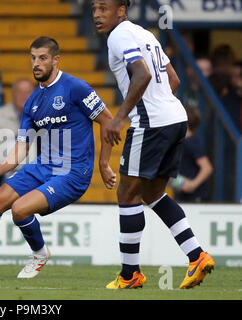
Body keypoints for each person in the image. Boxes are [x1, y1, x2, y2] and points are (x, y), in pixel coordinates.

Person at [0, 36, 115, 279]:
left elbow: (108, 121)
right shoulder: (33, 101)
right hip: (42, 166)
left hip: (72, 172)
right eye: (33, 58)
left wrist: (103, 164)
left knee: (19, 209)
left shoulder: (76, 87)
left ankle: (39, 253)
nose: (36, 63)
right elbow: (22, 146)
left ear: (56, 60)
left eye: (42, 58)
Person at [92, 0, 215, 289]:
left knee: (127, 192)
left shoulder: (119, 35)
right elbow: (173, 79)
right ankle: (196, 255)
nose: (97, 14)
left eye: (103, 8)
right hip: (175, 118)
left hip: (152, 124)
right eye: (94, 8)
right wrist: (160, 105)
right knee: (153, 192)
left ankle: (129, 274)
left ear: (121, 10)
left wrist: (121, 118)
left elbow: (143, 74)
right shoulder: (146, 34)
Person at [173, 107, 213, 202]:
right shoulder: (182, 142)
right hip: (184, 196)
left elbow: (207, 167)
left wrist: (193, 184)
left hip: (196, 197)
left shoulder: (190, 142)